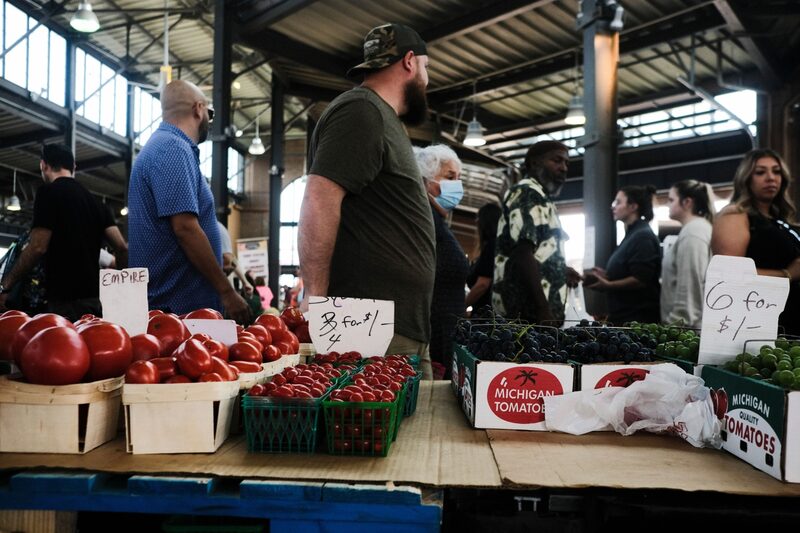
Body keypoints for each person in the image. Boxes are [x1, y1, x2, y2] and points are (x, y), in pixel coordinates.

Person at [298, 23, 436, 377]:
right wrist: (315, 298)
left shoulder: (382, 118)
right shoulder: (361, 111)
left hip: (394, 324)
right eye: (426, 66)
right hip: (368, 323)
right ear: (409, 61)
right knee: (371, 429)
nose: (427, 78)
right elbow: (320, 197)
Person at [128, 80, 249, 323]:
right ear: (198, 109)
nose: (209, 120)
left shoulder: (165, 147)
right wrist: (227, 291)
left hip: (178, 309)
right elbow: (185, 228)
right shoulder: (173, 149)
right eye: (209, 114)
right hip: (178, 310)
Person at [0, 144, 128, 321]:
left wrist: (6, 285)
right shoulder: (96, 203)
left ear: (43, 165)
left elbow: (37, 246)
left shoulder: (48, 193)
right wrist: (120, 285)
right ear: (74, 166)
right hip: (94, 301)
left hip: (63, 302)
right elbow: (121, 247)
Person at [711, 148, 800, 335]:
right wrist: (788, 274)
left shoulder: (780, 219)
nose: (771, 177)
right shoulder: (735, 214)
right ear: (746, 178)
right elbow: (728, 276)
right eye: (760, 172)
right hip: (761, 327)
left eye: (776, 171)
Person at [493, 141, 580, 325]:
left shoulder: (541, 197)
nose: (564, 168)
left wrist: (560, 270)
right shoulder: (527, 192)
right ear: (534, 163)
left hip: (537, 314)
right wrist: (543, 309)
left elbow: (536, 252)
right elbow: (522, 253)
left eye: (566, 163)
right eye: (557, 161)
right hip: (528, 315)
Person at [414, 144, 469, 379]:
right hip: (434, 331)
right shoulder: (425, 219)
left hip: (445, 329)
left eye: (458, 177)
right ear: (426, 181)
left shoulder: (437, 219)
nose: (456, 184)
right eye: (449, 176)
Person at [585, 185, 661, 324]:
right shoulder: (632, 234)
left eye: (618, 202)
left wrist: (608, 285)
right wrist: (608, 274)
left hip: (637, 320)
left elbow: (641, 279)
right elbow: (630, 270)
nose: (613, 207)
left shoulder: (642, 236)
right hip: (626, 316)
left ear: (633, 207)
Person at [660, 180, 715, 328]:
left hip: (686, 332)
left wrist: (675, 325)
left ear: (687, 202)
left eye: (671, 200)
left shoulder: (694, 232)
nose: (667, 204)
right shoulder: (694, 229)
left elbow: (690, 288)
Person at [466, 203, 501, 315]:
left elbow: (483, 284)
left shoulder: (492, 246)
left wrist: (462, 305)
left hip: (485, 314)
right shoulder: (497, 246)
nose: (476, 222)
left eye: (478, 218)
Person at [217, 220, 254, 297]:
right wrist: (245, 282)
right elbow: (232, 259)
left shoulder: (215, 228)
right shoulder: (218, 227)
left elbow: (228, 258)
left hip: (218, 290)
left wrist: (245, 282)